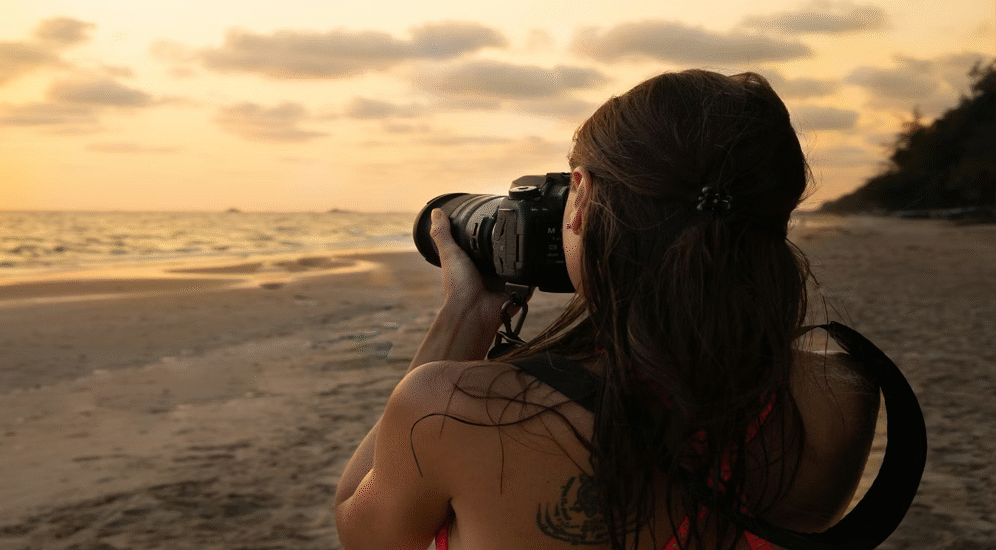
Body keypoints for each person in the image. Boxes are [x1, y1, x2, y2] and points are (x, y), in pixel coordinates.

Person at [334, 69, 881, 550]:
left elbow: (365, 534)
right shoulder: (842, 393)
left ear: (582, 195)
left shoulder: (450, 410)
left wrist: (465, 314)